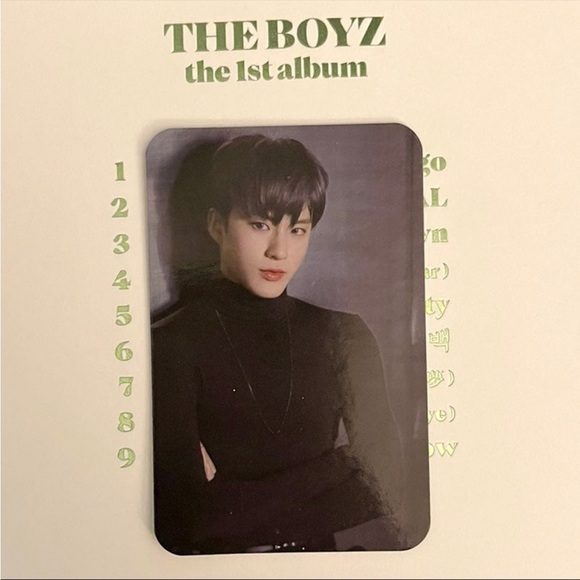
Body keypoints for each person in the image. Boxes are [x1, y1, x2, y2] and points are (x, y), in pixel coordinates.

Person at [151, 134, 406, 555]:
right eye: (260, 225)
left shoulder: (344, 335)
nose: (279, 250)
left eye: (297, 229)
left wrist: (227, 505)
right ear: (217, 226)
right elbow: (183, 524)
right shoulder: (170, 344)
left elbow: (389, 486)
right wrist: (342, 464)